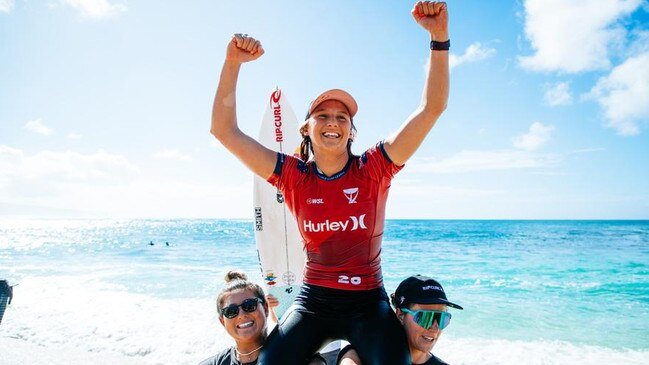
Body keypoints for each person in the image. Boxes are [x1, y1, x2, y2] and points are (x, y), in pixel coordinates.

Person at [211, 2, 449, 363]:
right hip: (314, 301)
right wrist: (232, 64)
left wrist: (438, 38)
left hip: (367, 303)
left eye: (342, 117)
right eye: (323, 115)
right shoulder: (292, 175)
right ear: (306, 127)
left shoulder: (374, 168)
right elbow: (224, 131)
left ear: (352, 130)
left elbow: (432, 108)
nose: (333, 122)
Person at [198, 270, 326, 365]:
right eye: (231, 311)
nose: (242, 314)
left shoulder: (299, 357)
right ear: (222, 321)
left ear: (265, 308)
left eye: (249, 305)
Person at [337, 275, 463, 365]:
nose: (435, 328)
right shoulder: (361, 355)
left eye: (442, 318)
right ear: (401, 315)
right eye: (426, 317)